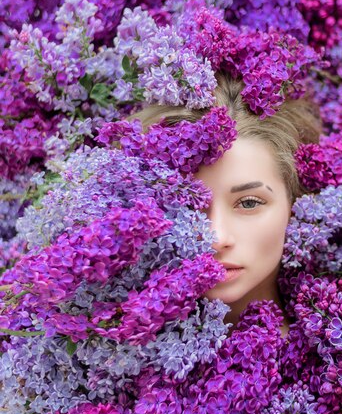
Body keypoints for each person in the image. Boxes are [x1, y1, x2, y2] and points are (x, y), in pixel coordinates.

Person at [132, 72, 322, 337]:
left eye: (248, 203)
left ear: (294, 204)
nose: (216, 238)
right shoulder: (109, 364)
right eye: (187, 207)